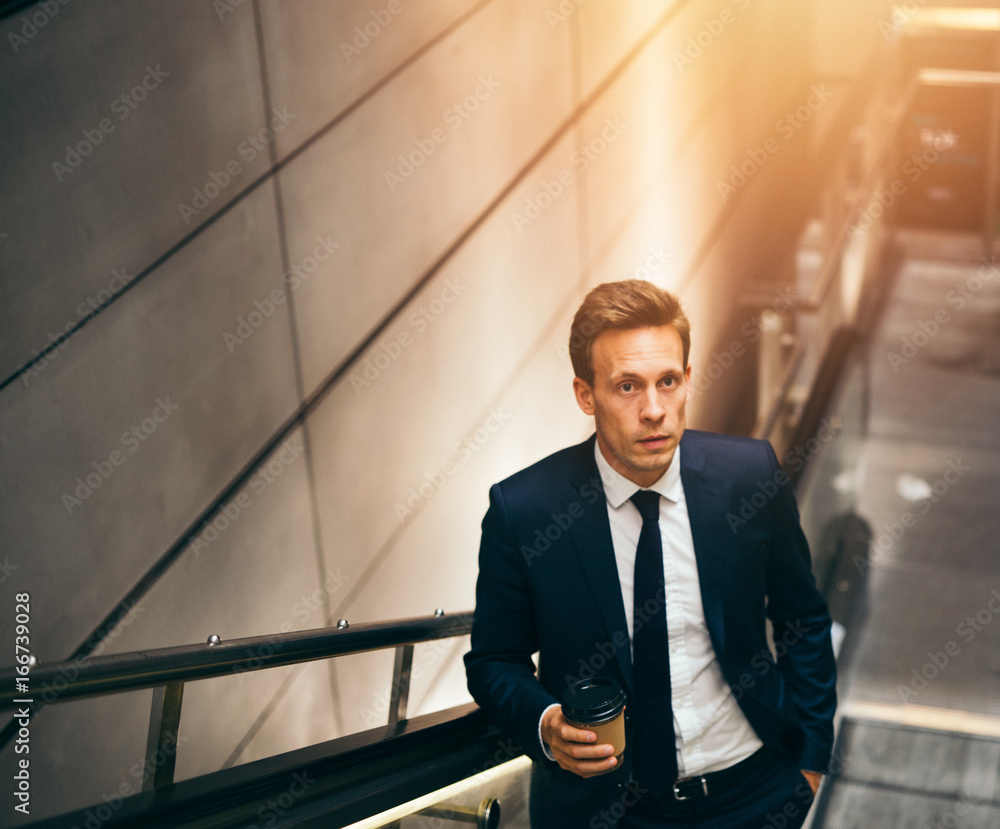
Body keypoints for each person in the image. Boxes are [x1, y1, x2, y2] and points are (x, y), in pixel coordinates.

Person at [464, 280, 836, 828]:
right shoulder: (525, 511)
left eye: (668, 381)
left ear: (688, 379)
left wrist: (808, 761)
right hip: (609, 810)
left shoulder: (749, 475)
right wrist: (545, 723)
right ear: (585, 395)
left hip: (754, 791)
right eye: (627, 387)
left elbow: (801, 618)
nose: (655, 410)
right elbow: (494, 660)